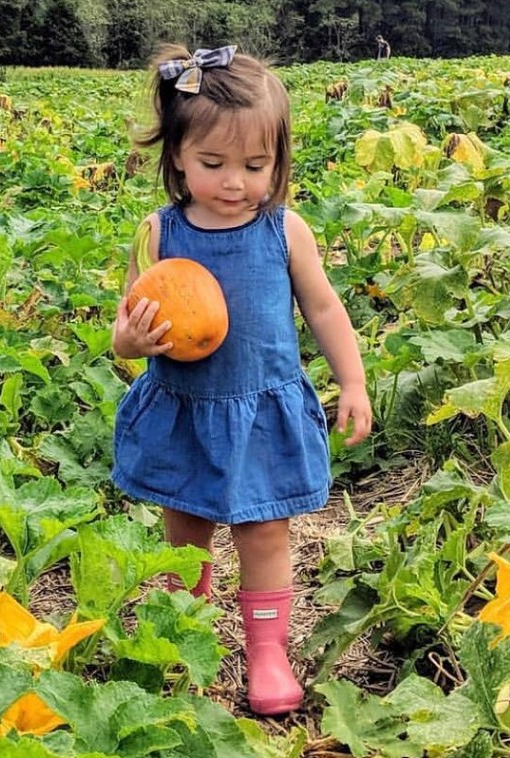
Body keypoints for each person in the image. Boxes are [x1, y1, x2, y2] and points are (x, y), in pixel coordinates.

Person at [110, 44, 372, 716]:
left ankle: (267, 651)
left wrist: (353, 381)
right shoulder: (158, 233)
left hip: (261, 409)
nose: (235, 183)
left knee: (265, 534)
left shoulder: (285, 230)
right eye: (213, 164)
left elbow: (323, 308)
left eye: (255, 166)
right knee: (186, 530)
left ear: (278, 161)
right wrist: (132, 341)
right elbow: (124, 327)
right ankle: (187, 632)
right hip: (185, 407)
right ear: (177, 156)